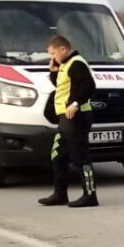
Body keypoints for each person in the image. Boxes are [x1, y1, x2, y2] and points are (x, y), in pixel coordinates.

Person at [39, 35, 98, 208]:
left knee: (81, 157)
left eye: (53, 53)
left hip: (77, 117)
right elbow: (62, 87)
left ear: (63, 49)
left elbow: (88, 86)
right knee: (58, 155)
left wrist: (75, 103)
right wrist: (54, 72)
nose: (52, 57)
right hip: (65, 118)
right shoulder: (65, 64)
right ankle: (60, 193)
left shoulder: (77, 63)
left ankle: (90, 195)